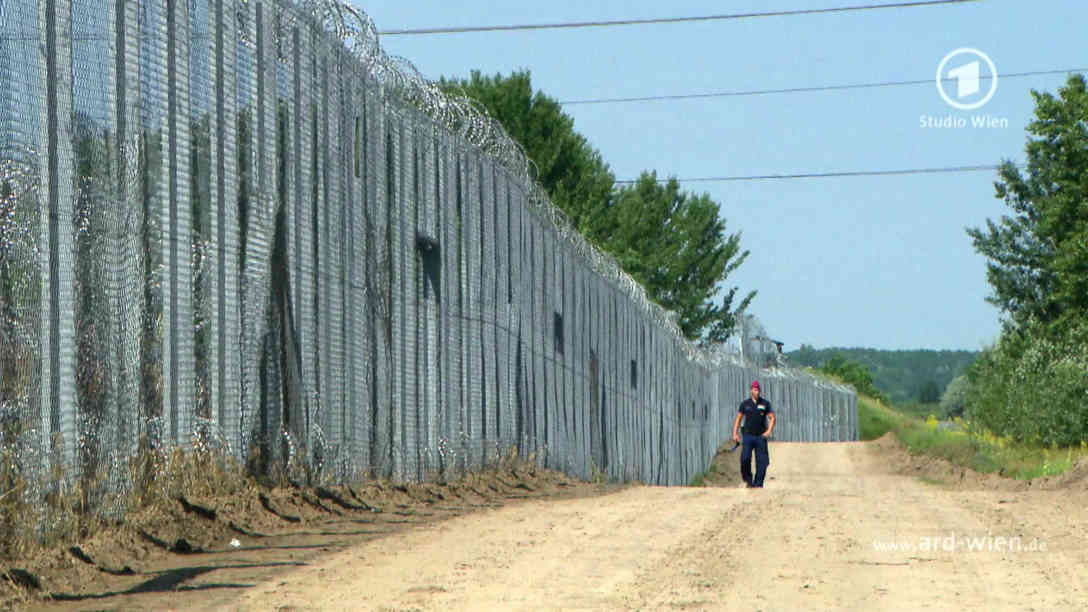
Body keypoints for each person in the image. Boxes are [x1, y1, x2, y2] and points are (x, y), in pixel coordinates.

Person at [732, 380, 775, 488]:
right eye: (754, 390)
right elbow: (738, 418)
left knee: (762, 462)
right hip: (748, 436)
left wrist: (769, 431)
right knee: (745, 458)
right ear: (751, 390)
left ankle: (758, 484)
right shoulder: (745, 404)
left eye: (758, 390)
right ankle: (748, 481)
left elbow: (772, 418)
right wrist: (735, 433)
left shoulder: (765, 404)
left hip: (760, 436)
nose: (756, 392)